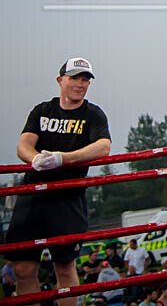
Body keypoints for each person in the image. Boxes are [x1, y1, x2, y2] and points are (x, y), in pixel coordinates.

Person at [6, 57, 111, 306]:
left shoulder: (93, 114)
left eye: (85, 79)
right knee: (22, 268)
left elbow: (103, 146)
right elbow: (24, 145)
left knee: (65, 266)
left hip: (68, 197)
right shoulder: (43, 110)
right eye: (75, 77)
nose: (80, 83)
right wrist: (36, 160)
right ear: (60, 80)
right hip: (32, 194)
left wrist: (63, 159)